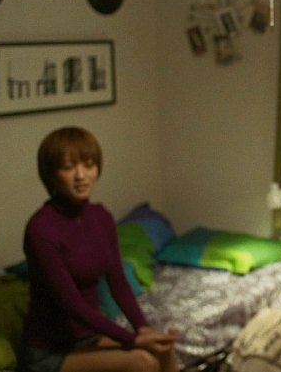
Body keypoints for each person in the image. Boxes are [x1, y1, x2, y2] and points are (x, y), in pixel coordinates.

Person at [18, 126, 178, 372]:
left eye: (89, 165)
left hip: (88, 337)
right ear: (51, 175)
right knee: (142, 362)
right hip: (51, 350)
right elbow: (71, 302)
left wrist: (142, 328)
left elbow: (118, 280)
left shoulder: (100, 217)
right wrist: (132, 339)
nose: (81, 175)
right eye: (68, 167)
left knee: (163, 350)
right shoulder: (41, 228)